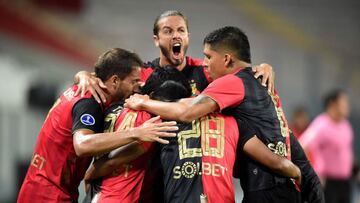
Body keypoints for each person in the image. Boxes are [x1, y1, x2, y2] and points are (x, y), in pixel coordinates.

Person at [125, 26, 324, 203]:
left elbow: (188, 111)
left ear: (227, 59)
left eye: (209, 57)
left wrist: (145, 102)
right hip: (283, 184)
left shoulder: (233, 82)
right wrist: (293, 170)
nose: (205, 63)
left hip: (267, 186)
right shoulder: (263, 83)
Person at [84, 66, 301, 203]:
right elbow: (275, 162)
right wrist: (295, 171)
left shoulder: (159, 123)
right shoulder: (233, 121)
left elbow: (111, 161)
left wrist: (90, 173)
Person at [17, 48, 177, 203]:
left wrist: (81, 74)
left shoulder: (85, 89)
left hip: (38, 186)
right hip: (51, 194)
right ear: (114, 80)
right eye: (133, 81)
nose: (138, 86)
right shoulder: (90, 103)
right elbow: (82, 145)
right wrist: (137, 133)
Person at [74, 10, 275, 103]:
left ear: (188, 37)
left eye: (181, 30)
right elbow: (104, 78)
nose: (176, 35)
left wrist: (263, 67)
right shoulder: (142, 72)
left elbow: (238, 74)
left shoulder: (205, 70)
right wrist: (82, 75)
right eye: (168, 31)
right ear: (156, 39)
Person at [300, 90, 355, 203]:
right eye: (343, 102)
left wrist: (356, 170)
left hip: (345, 182)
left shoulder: (345, 125)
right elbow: (302, 145)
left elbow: (347, 151)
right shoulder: (321, 124)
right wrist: (312, 174)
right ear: (333, 104)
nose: (347, 106)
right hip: (328, 183)